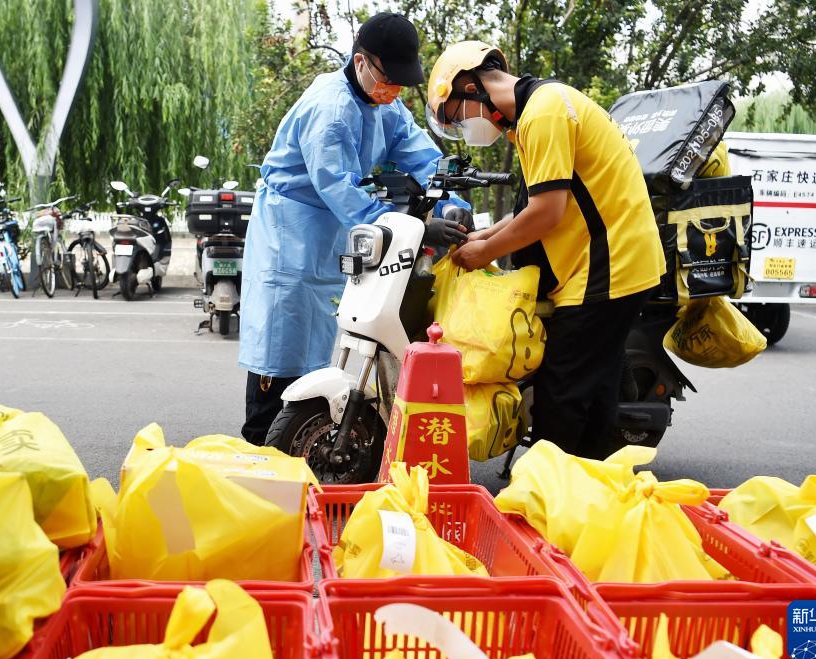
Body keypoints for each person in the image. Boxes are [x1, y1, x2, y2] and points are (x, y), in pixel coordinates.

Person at [239, 12, 473, 445]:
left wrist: (453, 200)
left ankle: (303, 442)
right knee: (281, 345)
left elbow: (419, 153)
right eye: (388, 80)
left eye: (401, 84)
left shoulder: (384, 103)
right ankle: (260, 443)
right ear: (361, 61)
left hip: (330, 226)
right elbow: (340, 188)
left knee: (320, 345)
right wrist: (422, 229)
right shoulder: (330, 109)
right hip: (290, 230)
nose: (393, 91)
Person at [426, 41, 665, 459]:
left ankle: (545, 499)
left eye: (457, 119)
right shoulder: (536, 112)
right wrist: (484, 237)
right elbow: (534, 205)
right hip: (611, 263)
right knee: (594, 390)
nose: (465, 129)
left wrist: (484, 254)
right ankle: (587, 490)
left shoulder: (545, 113)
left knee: (563, 394)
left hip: (608, 266)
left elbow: (546, 214)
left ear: (469, 88)